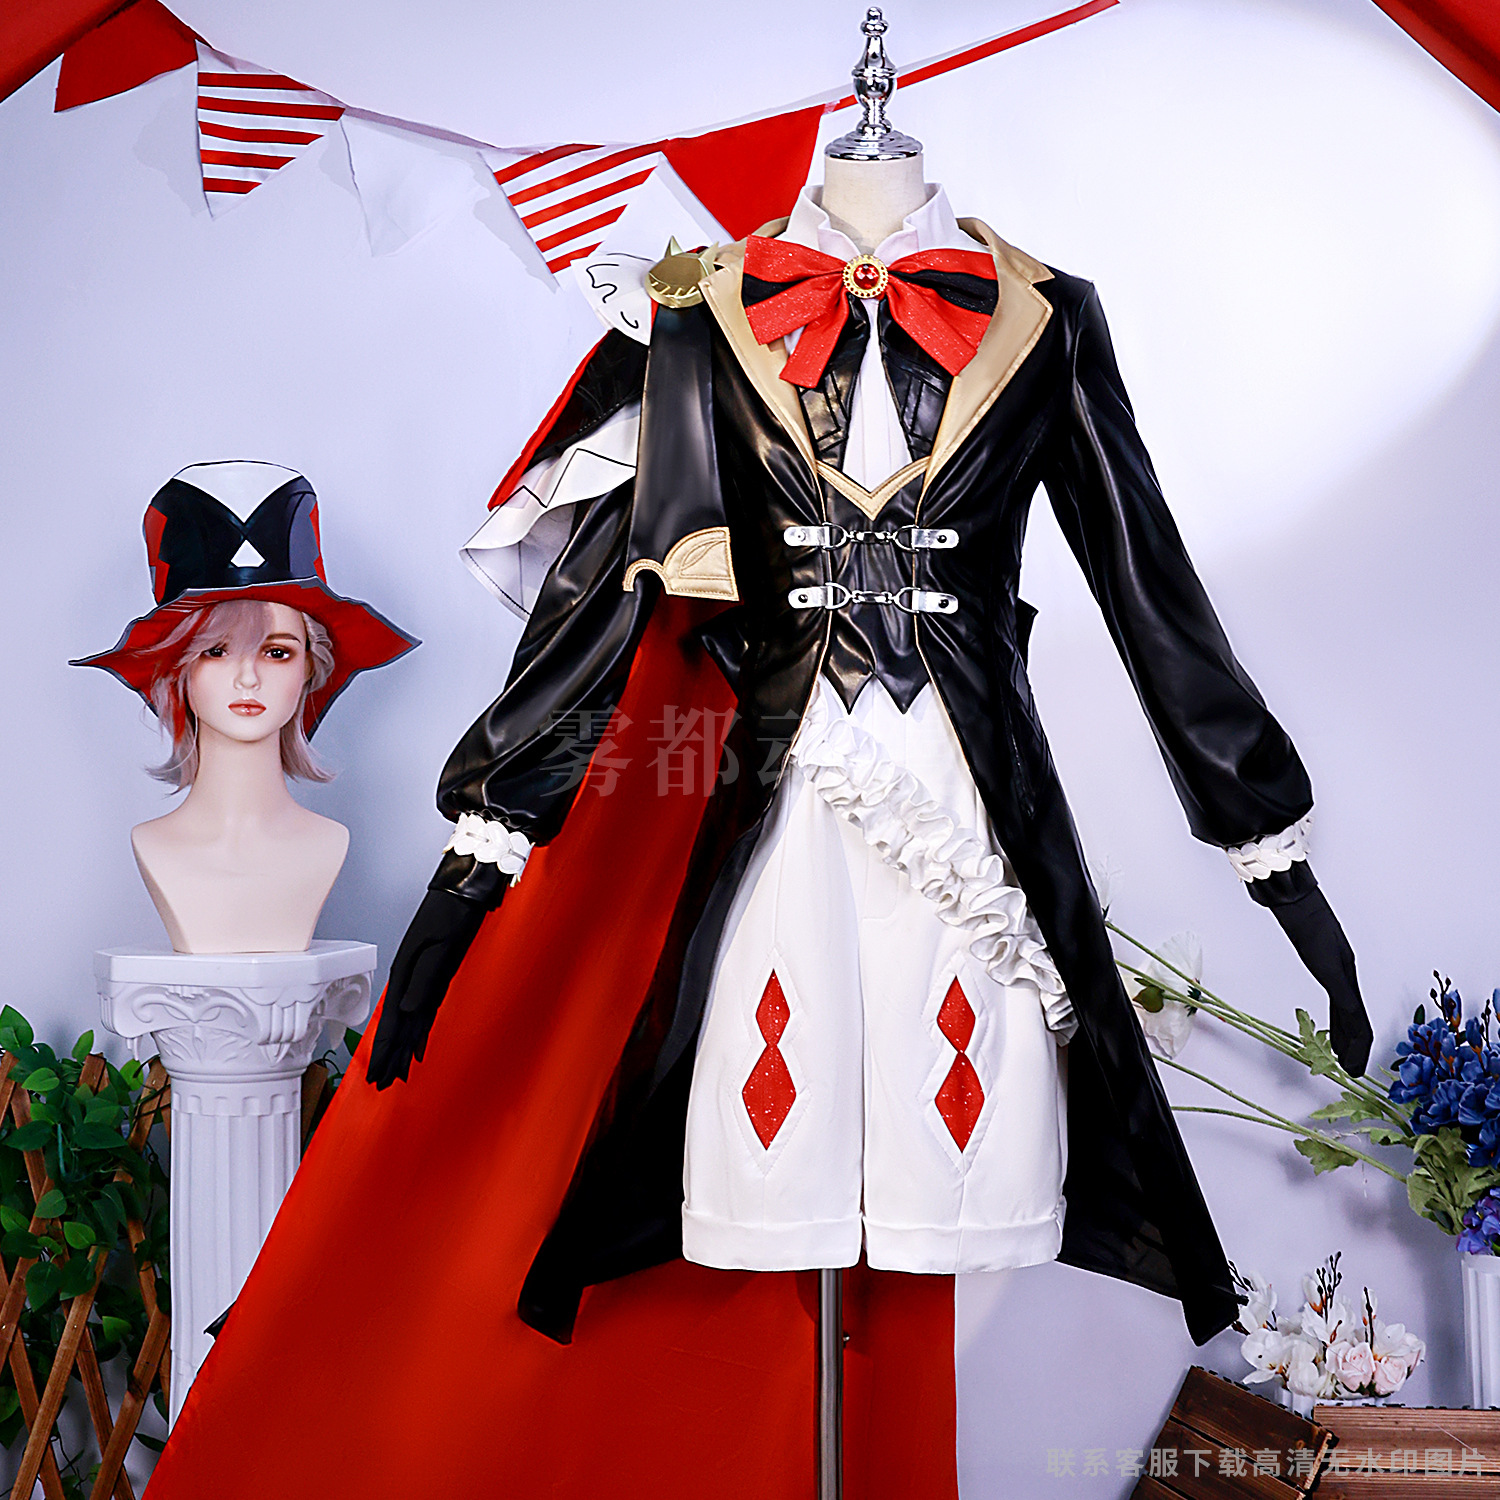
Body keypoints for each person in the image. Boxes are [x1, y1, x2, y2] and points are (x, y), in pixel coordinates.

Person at [74, 460, 417, 952]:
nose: (249, 678)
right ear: (178, 668)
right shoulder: (153, 846)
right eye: (216, 651)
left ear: (309, 668)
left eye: (276, 652)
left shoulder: (328, 843)